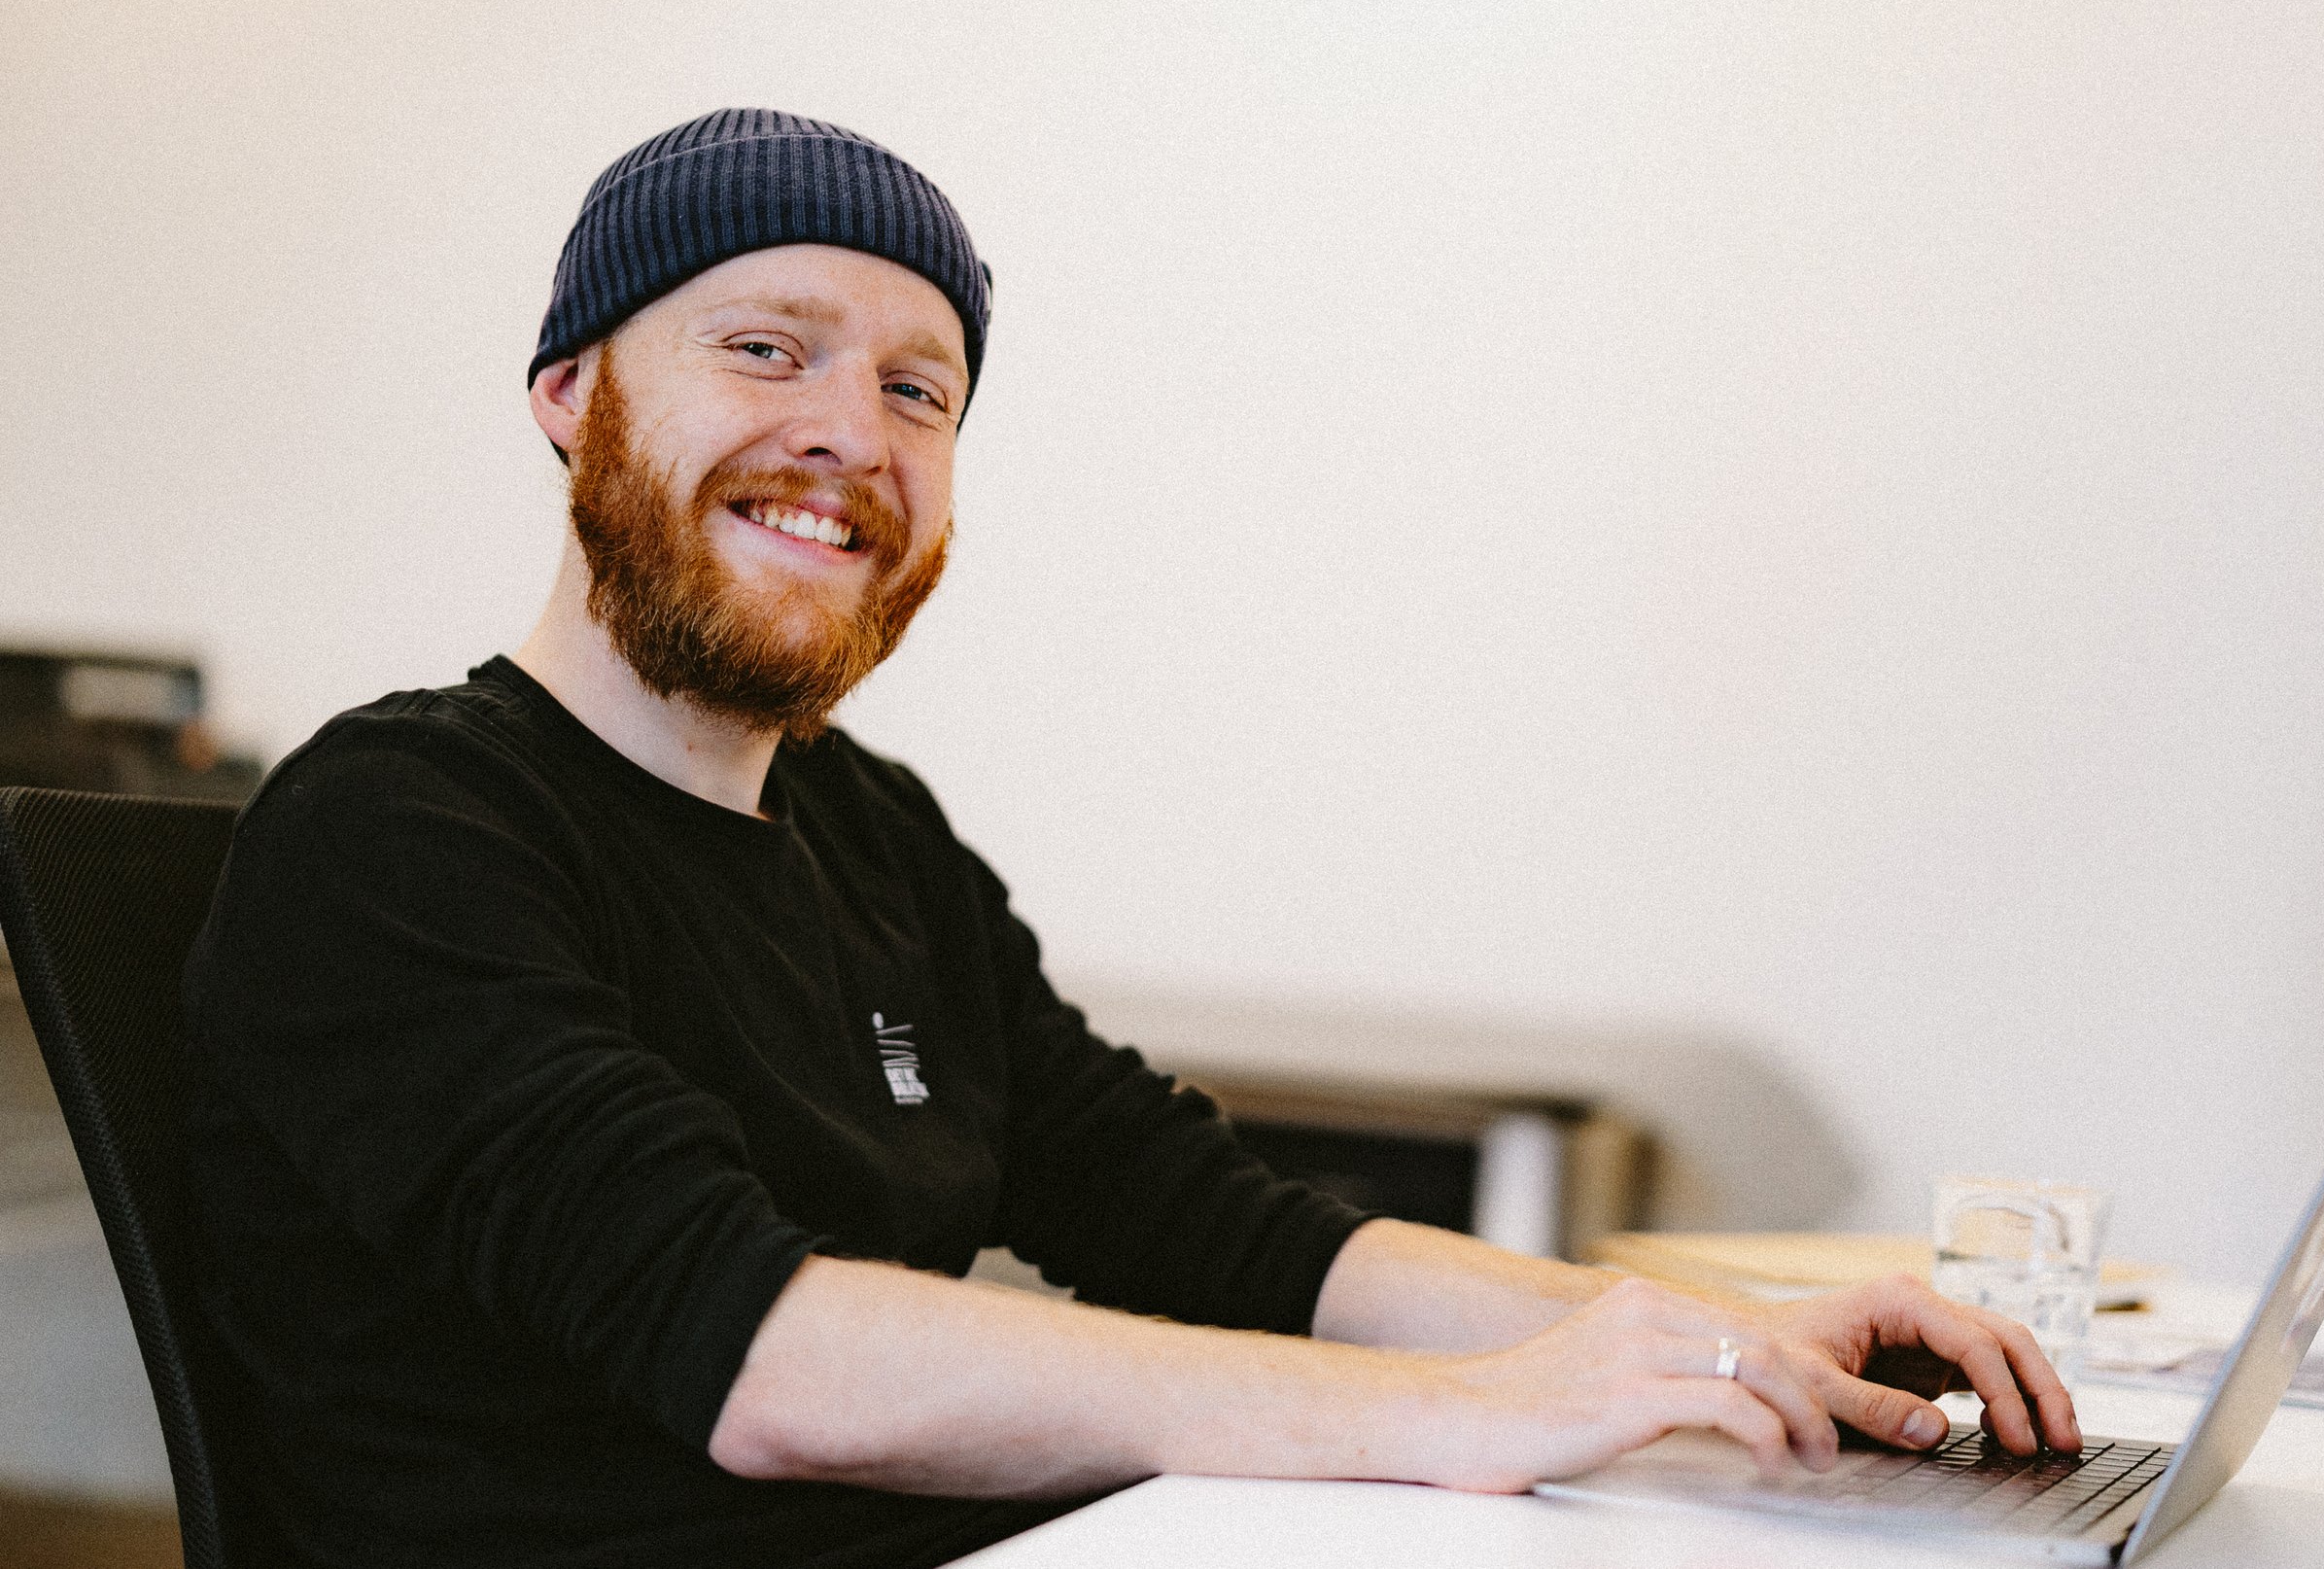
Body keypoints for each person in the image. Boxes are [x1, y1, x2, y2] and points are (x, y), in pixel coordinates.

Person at [184, 109, 2079, 1569]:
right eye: (767, 349)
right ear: (571, 395)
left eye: (916, 390)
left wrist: (1694, 1338)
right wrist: (1469, 1415)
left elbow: (1202, 1226)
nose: (853, 430)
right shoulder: (395, 826)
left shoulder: (868, 835)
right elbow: (765, 1359)